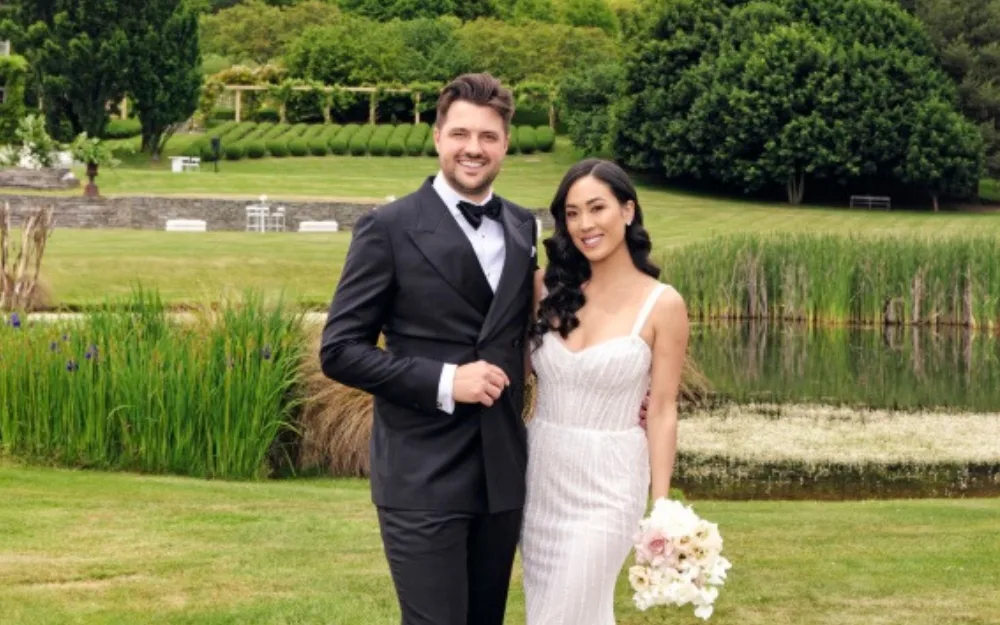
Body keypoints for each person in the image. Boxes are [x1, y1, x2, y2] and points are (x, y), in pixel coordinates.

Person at [318, 73, 538, 625]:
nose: (473, 148)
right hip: (422, 475)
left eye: (488, 136)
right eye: (460, 133)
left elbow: (523, 332)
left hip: (501, 473)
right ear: (438, 136)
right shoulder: (387, 228)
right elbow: (339, 349)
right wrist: (446, 380)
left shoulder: (522, 226)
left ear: (505, 144)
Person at [520, 158, 689, 624]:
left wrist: (661, 506)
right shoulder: (543, 289)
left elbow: (662, 409)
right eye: (572, 213)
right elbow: (514, 370)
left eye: (597, 208)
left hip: (611, 482)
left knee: (566, 610)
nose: (585, 225)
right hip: (542, 474)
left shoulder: (663, 304)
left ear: (627, 210)